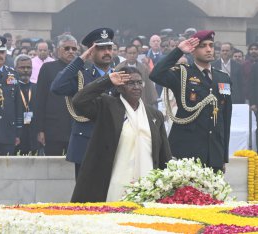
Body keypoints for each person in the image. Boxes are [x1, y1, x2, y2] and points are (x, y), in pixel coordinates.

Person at [71, 66, 171, 202]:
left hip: (148, 183)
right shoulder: (107, 106)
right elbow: (78, 101)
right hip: (113, 181)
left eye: (139, 82)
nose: (136, 87)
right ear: (119, 87)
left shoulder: (155, 115)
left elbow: (163, 154)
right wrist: (107, 80)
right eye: (130, 83)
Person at [150, 30, 232, 172]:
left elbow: (225, 119)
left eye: (211, 45)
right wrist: (179, 51)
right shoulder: (182, 73)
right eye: (203, 46)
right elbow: (156, 74)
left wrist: (223, 156)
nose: (208, 49)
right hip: (187, 151)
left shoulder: (223, 78)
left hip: (214, 152)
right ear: (193, 51)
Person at [51, 28, 114, 178]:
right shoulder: (81, 76)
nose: (106, 52)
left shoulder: (122, 75)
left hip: (113, 141)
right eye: (100, 48)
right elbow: (57, 87)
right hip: (87, 142)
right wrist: (79, 60)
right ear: (91, 52)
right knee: (85, 196)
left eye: (109, 48)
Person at [35, 34, 77, 156]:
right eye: (67, 48)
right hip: (53, 128)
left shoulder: (83, 68)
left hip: (76, 127)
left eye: (74, 49)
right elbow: (40, 100)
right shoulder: (48, 68)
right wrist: (40, 129)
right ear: (58, 50)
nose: (71, 51)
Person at [14, 54, 38, 155]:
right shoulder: (12, 87)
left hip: (33, 132)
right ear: (15, 69)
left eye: (28, 67)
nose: (25, 70)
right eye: (22, 67)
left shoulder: (36, 87)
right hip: (17, 132)